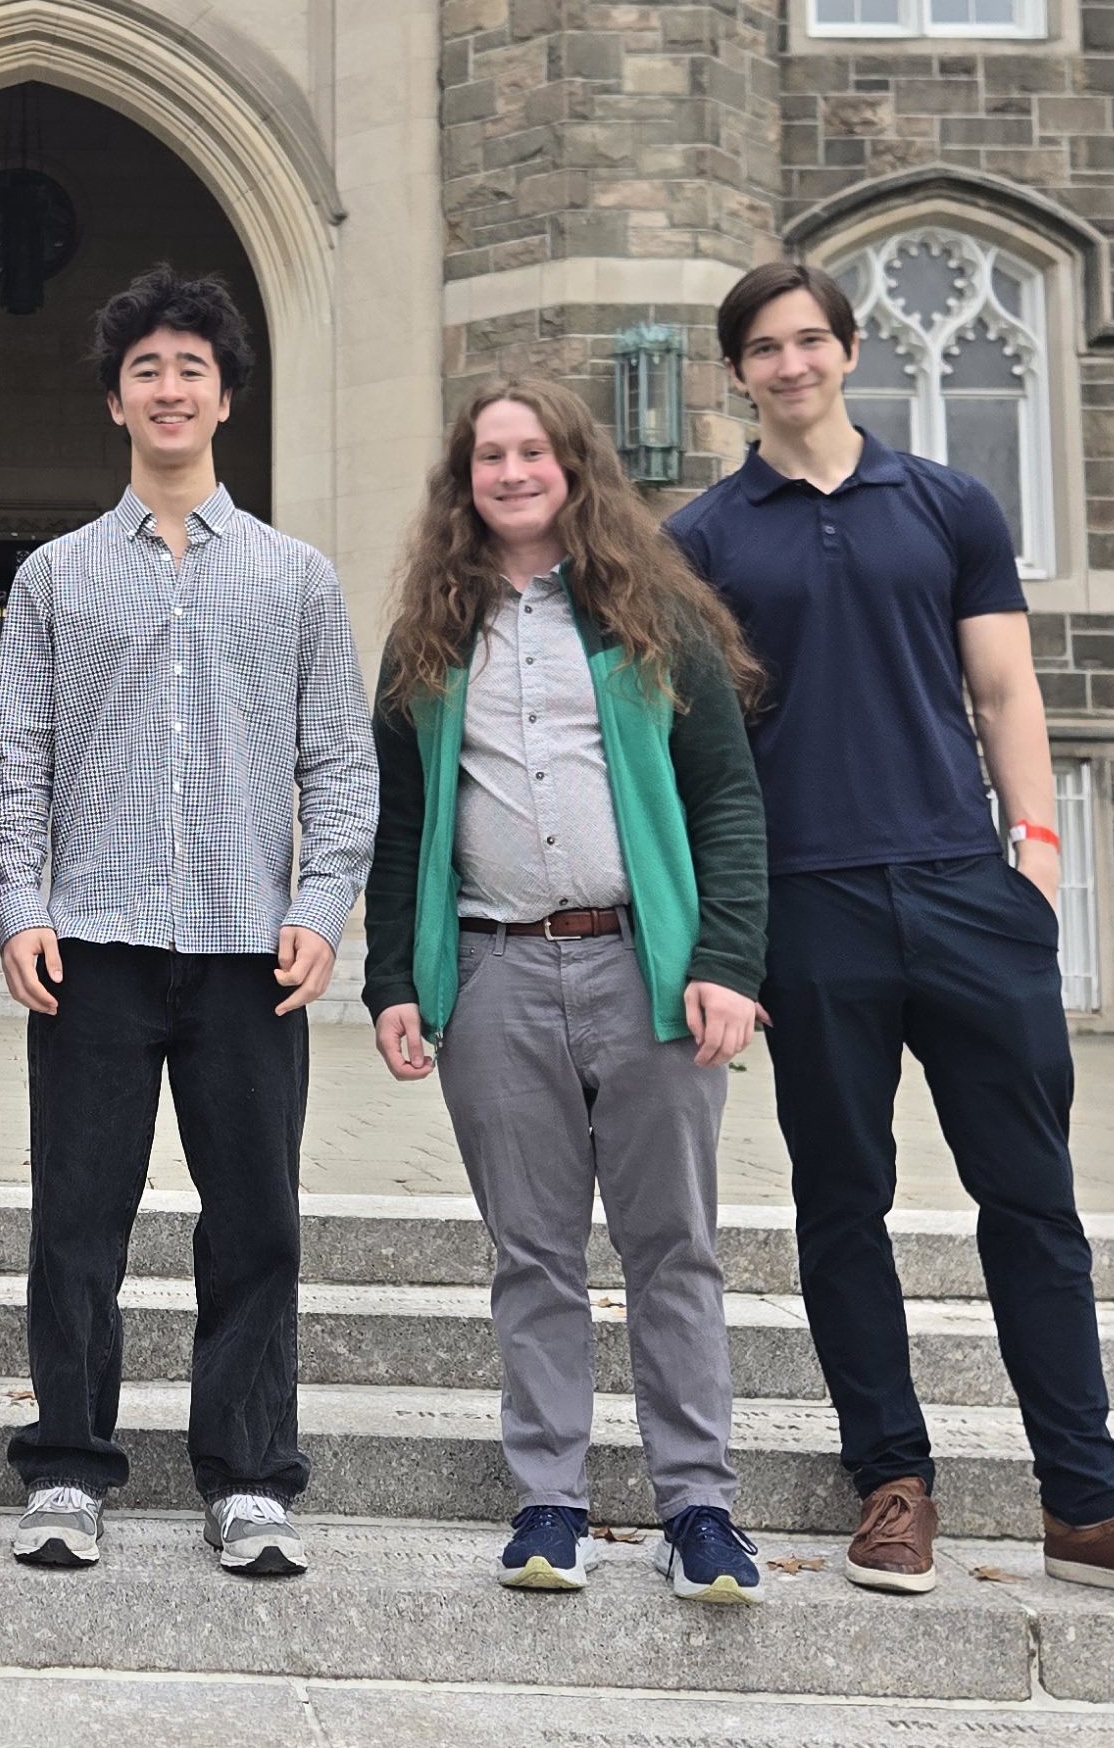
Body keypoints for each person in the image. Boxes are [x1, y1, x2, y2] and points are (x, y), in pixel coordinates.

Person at [668, 260, 1114, 1618]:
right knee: (842, 1202)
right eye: (763, 347)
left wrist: (1036, 858)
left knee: (1033, 1199)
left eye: (810, 339)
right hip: (810, 902)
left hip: (963, 891)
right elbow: (694, 747)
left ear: (849, 349)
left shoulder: (948, 503)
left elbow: (1003, 688)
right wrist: (727, 931)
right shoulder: (701, 537)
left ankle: (1088, 1504)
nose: (790, 363)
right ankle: (892, 1482)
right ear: (738, 371)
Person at [0, 263, 376, 1579]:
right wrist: (19, 905)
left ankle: (250, 1477)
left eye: (189, 369)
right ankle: (68, 1468)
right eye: (144, 369)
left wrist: (321, 905)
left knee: (255, 1224)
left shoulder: (296, 578)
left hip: (248, 955)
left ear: (224, 397)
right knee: (75, 1222)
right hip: (90, 948)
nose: (167, 388)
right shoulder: (53, 577)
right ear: (115, 400)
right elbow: (15, 760)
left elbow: (341, 764)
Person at [361, 377, 772, 1603]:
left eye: (532, 449)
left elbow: (726, 797)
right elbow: (401, 825)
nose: (511, 470)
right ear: (463, 480)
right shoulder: (431, 633)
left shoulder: (654, 615)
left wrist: (727, 963)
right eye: (488, 454)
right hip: (492, 969)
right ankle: (549, 1500)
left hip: (645, 967)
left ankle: (698, 1506)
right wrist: (394, 978)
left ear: (573, 465)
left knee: (672, 1246)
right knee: (530, 1250)